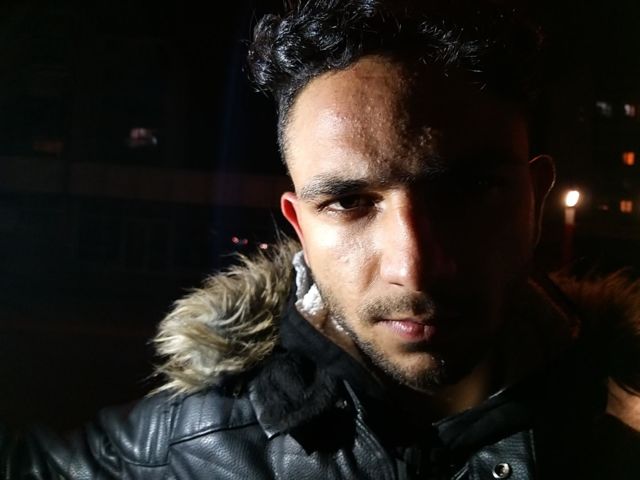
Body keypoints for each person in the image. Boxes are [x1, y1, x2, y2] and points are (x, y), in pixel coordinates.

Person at [3, 0, 640, 478]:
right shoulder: (193, 442)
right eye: (349, 202)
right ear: (300, 225)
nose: (415, 266)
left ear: (535, 201)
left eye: (468, 191)